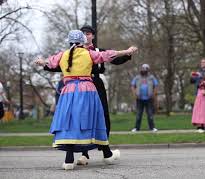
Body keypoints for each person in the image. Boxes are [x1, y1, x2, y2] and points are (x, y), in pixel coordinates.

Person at [35, 30, 138, 170]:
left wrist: (41, 61)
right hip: (87, 91)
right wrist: (127, 51)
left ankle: (69, 160)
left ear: (69, 41)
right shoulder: (89, 53)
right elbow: (108, 55)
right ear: (83, 41)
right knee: (94, 119)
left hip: (68, 91)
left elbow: (49, 63)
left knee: (70, 122)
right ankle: (106, 154)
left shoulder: (62, 55)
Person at [131, 64, 159, 132]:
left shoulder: (151, 78)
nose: (143, 70)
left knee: (150, 114)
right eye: (142, 69)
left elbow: (156, 86)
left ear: (147, 70)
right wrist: (134, 94)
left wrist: (154, 94)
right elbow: (132, 85)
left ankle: (152, 128)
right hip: (139, 99)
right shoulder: (137, 77)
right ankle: (136, 128)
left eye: (145, 69)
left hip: (149, 99)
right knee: (138, 114)